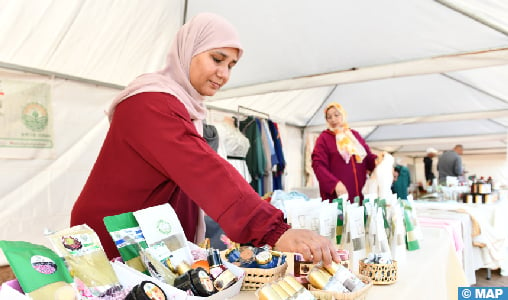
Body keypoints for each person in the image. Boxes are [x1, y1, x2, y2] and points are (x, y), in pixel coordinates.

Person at [70, 12, 338, 265]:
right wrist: (273, 230)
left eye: (231, 65)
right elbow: (204, 169)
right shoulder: (149, 103)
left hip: (142, 236)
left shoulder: (182, 105)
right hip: (112, 240)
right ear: (187, 51)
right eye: (217, 59)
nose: (224, 74)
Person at [311, 102, 377, 203]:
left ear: (343, 115)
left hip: (360, 193)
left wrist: (381, 161)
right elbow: (318, 165)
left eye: (336, 115)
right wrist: (334, 184)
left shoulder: (354, 135)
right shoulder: (324, 138)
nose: (333, 119)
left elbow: (367, 158)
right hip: (339, 194)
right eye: (329, 117)